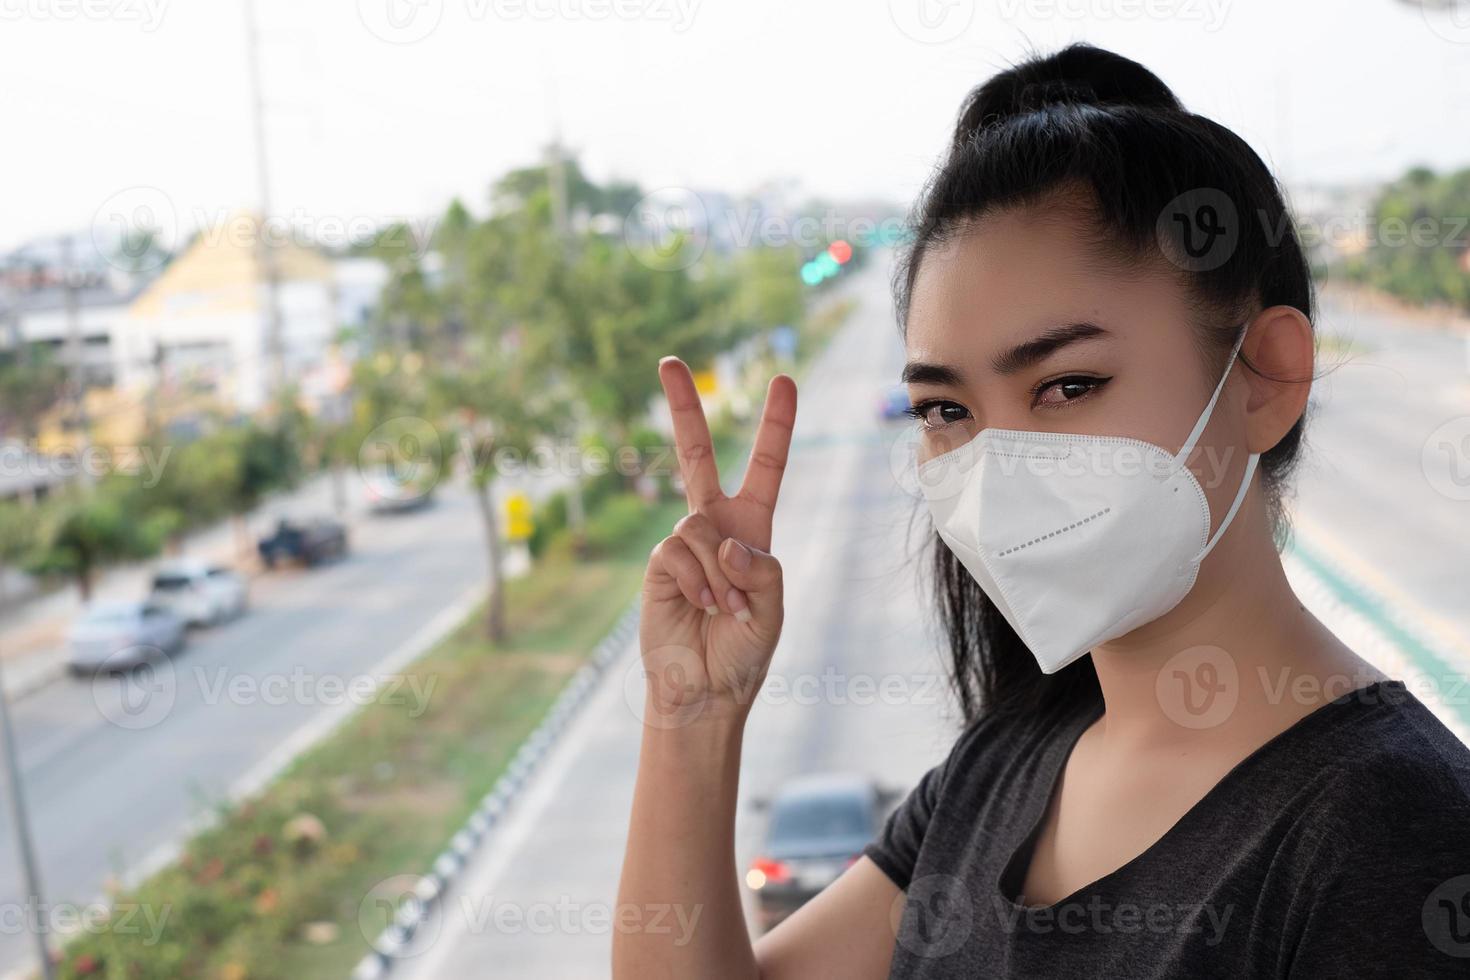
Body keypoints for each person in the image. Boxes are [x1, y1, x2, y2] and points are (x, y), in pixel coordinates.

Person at [614, 43, 1470, 978]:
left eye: (1067, 386)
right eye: (947, 411)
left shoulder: (1394, 833)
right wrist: (692, 715)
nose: (996, 467)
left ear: (1266, 376)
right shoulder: (1003, 767)